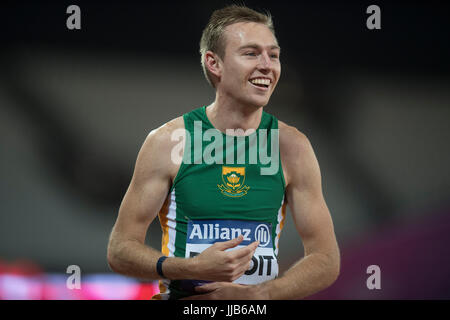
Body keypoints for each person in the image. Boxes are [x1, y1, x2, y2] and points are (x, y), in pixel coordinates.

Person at [107, 4, 340, 300]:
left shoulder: (292, 147)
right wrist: (190, 267)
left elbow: (326, 260)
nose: (268, 65)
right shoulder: (168, 142)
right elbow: (120, 249)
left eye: (274, 54)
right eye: (251, 53)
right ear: (214, 63)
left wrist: (259, 295)